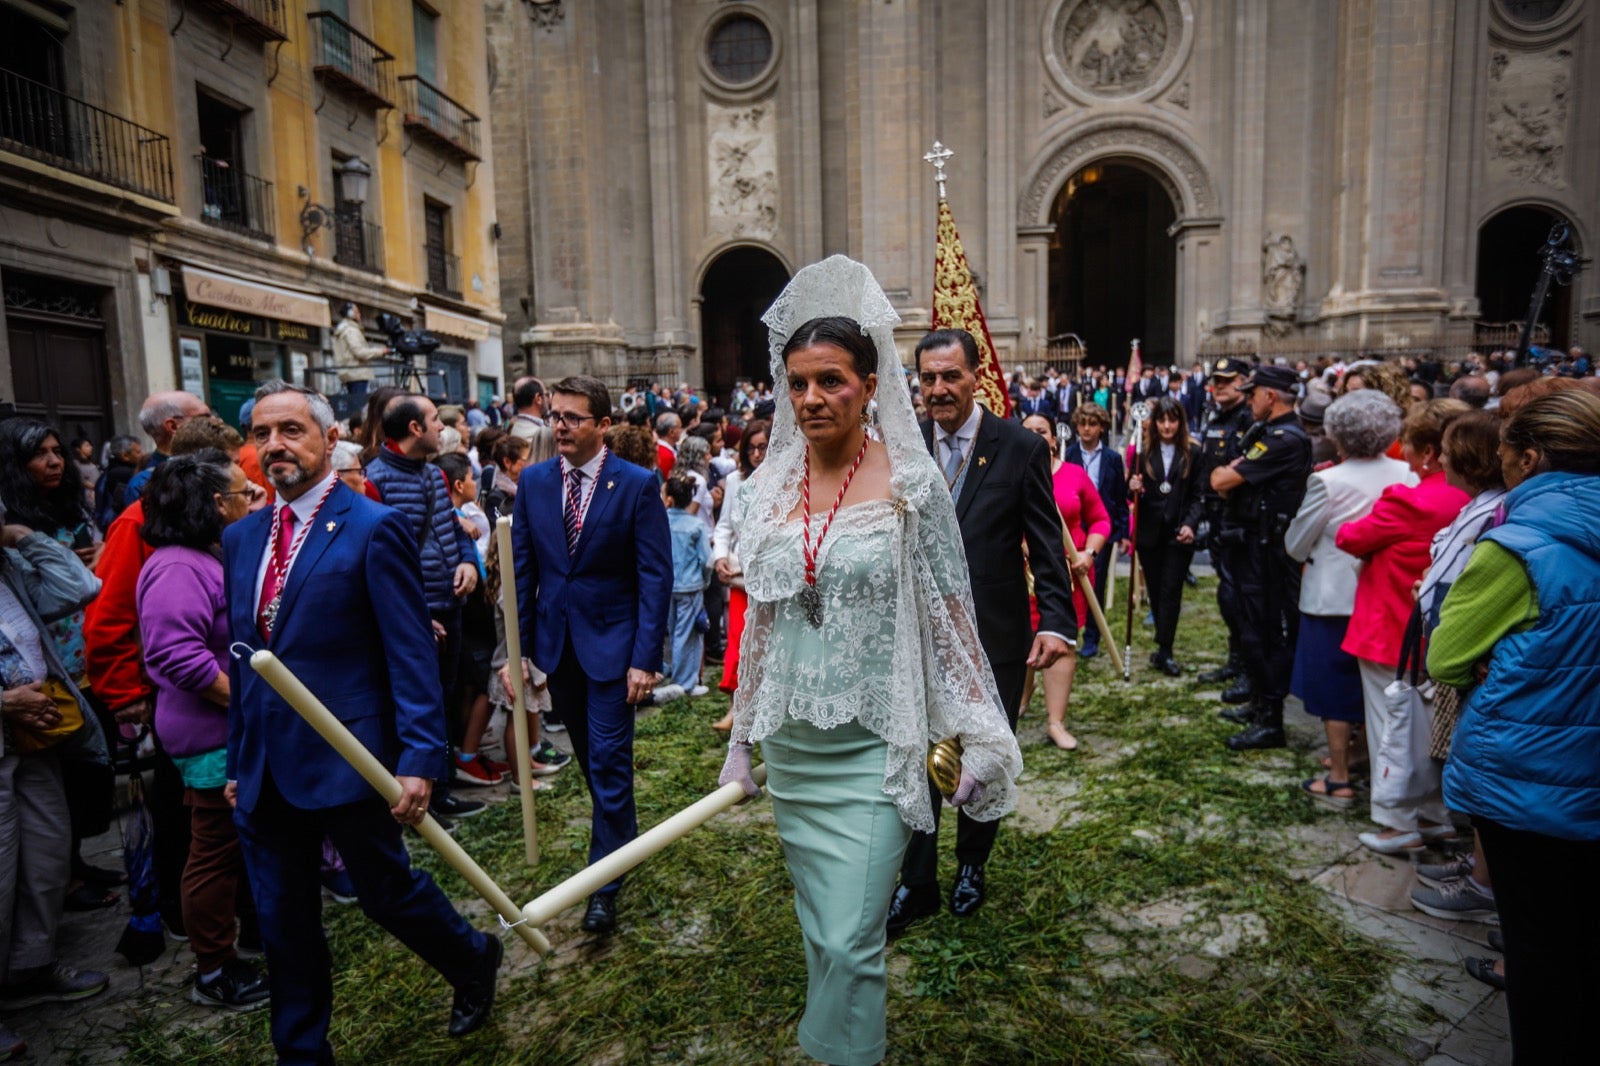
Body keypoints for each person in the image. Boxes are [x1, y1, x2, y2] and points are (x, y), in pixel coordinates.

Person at [717, 258, 1022, 1066]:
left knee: (853, 933)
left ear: (870, 384)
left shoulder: (912, 485)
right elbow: (760, 627)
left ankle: (842, 1052)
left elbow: (954, 617)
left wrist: (979, 733)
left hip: (875, 748)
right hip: (795, 747)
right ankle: (834, 1042)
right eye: (797, 383)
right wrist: (741, 741)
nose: (812, 398)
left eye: (831, 381)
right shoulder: (765, 492)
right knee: (824, 926)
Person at [223, 381, 503, 1060]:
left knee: (386, 893)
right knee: (284, 920)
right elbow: (247, 661)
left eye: (291, 430)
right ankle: (303, 1051)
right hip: (267, 767)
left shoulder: (373, 527)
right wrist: (239, 761)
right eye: (263, 434)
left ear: (327, 439)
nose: (275, 446)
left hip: (351, 756)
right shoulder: (239, 538)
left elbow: (409, 653)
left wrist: (418, 761)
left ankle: (471, 958)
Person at [1432, 390, 1600, 1063]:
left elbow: (1447, 656)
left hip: (1531, 773)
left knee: (1539, 952)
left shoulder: (1516, 545)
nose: (1496, 461)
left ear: (1528, 458)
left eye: (1503, 450)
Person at [890, 325, 1074, 930]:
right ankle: (916, 880)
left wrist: (1055, 621)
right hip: (915, 631)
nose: (938, 389)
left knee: (984, 752)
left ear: (976, 377)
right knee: (918, 751)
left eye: (950, 376)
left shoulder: (1018, 446)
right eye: (928, 378)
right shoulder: (903, 444)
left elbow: (1046, 543)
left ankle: (972, 864)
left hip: (992, 631)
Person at [508, 375, 672, 935]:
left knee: (607, 759)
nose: (561, 426)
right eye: (556, 416)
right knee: (590, 757)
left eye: (574, 418)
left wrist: (645, 657)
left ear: (603, 425)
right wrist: (522, 655)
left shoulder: (636, 484)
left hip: (615, 647)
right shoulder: (532, 483)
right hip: (558, 647)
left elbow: (655, 575)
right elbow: (524, 571)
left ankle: (604, 884)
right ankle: (619, 830)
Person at [136, 452, 268, 1010]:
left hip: (228, 728)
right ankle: (214, 969)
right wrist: (250, 706)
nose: (254, 498)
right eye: (245, 493)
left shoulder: (205, 557)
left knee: (235, 845)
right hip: (211, 734)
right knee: (213, 850)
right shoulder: (177, 567)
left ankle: (245, 944)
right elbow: (177, 657)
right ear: (217, 504)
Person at [1335, 398, 1471, 851]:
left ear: (1429, 451)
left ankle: (1397, 822)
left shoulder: (1411, 500)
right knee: (1436, 726)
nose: (1402, 453)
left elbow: (1350, 536)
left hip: (1392, 628)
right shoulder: (1472, 498)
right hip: (1446, 632)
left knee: (1390, 727)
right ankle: (1435, 816)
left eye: (1408, 446)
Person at [0, 499, 110, 1037]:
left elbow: (80, 588)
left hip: (36, 735)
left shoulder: (9, 567)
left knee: (44, 856)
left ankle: (28, 968)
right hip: (7, 728)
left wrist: (23, 535)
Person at [1404, 410, 1507, 933]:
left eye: (1447, 449)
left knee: (1480, 774)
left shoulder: (1497, 514)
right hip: (1454, 653)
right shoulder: (1475, 508)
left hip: (1470, 664)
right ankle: (1481, 867)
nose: (1438, 457)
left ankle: (1485, 885)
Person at [1284, 391, 1412, 805]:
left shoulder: (1328, 480)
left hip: (1332, 597)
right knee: (1380, 688)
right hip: (1390, 597)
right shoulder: (1407, 474)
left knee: (1334, 688)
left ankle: (1339, 775)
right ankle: (1367, 758)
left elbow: (1296, 543)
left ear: (1337, 435)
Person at [364, 394, 484, 824]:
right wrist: (413, 616)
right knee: (419, 703)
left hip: (449, 604)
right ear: (414, 429)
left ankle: (444, 789)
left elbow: (454, 526)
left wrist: (468, 559)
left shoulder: (434, 474)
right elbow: (379, 560)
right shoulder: (374, 480)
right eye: (434, 419)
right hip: (415, 615)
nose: (443, 426)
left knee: (446, 699)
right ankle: (422, 802)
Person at [1209, 364, 1314, 750]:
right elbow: (1224, 479)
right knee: (1252, 628)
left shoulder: (1284, 439)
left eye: (1254, 393)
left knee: (1267, 635)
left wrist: (1230, 475)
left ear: (1271, 396)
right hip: (1252, 545)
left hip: (1268, 551)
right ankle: (1259, 703)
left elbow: (1222, 480)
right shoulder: (1269, 434)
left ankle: (1271, 719)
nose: (1249, 399)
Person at [1020, 414, 1108, 751]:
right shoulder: (1011, 474)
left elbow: (1100, 519)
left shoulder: (1074, 475)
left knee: (1062, 640)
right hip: (1022, 574)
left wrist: (1090, 553)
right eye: (1026, 432)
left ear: (1054, 439)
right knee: (1023, 640)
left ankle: (1055, 720)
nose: (1034, 437)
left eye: (1041, 432)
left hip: (1068, 574)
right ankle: (1021, 700)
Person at [1127, 396, 1204, 675]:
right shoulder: (1143, 453)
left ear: (1180, 422)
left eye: (1172, 420)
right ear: (1155, 422)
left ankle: (1166, 649)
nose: (1167, 426)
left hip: (1178, 532)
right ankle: (1162, 644)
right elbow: (1131, 492)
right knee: (1157, 591)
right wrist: (1132, 484)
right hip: (1150, 533)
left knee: (1171, 590)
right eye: (1162, 420)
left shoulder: (1192, 453)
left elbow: (1198, 494)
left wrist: (1191, 524)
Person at [1195, 357, 1256, 698]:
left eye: (1227, 380)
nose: (1219, 386)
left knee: (1240, 598)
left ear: (1244, 382)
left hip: (1240, 521)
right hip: (1219, 519)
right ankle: (1236, 660)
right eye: (1216, 380)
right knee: (1227, 595)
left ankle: (1250, 670)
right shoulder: (1218, 417)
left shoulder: (1250, 421)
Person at [711, 419, 769, 723]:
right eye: (751, 448)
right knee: (738, 639)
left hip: (772, 575)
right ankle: (737, 706)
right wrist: (720, 555)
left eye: (762, 447)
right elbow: (723, 527)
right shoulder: (736, 480)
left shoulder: (790, 477)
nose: (757, 454)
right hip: (740, 574)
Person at [1064, 402, 1128, 659]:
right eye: (1083, 424)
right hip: (1074, 528)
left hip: (1102, 529)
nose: (1087, 429)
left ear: (1101, 427)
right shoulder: (1069, 454)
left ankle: (1092, 636)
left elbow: (1120, 498)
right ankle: (1070, 630)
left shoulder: (1112, 458)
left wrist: (1123, 532)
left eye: (1092, 424)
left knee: (1095, 582)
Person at [662, 474, 712, 697]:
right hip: (690, 586)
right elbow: (707, 558)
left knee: (673, 631)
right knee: (687, 634)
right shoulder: (696, 525)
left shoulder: (660, 520)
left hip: (666, 585)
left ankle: (675, 673)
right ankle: (685, 682)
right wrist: (705, 580)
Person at [126, 391, 211, 500]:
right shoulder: (145, 483)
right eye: (204, 417)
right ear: (173, 426)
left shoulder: (216, 464)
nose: (216, 422)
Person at [331, 303, 390, 401]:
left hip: (350, 373)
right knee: (357, 405)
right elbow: (360, 352)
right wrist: (381, 351)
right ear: (350, 314)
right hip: (357, 373)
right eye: (357, 312)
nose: (360, 315)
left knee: (354, 404)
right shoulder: (351, 331)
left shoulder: (344, 329)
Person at [93, 435, 143, 530]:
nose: (142, 454)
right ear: (125, 456)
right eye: (138, 452)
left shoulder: (110, 470)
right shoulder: (125, 473)